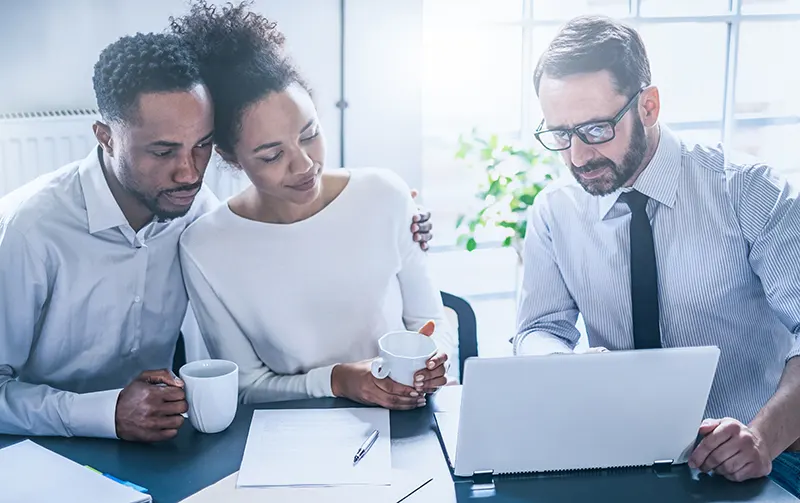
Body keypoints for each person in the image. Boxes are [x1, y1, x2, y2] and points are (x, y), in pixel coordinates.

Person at [0, 33, 432, 441]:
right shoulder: (29, 232)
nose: (189, 173)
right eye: (163, 151)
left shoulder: (194, 214)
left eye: (201, 145)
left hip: (160, 439)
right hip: (45, 447)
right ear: (106, 137)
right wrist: (104, 413)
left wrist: (403, 219)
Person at [513, 15, 800, 487]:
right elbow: (540, 328)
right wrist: (560, 366)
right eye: (560, 135)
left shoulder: (748, 191)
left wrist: (761, 438)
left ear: (648, 106)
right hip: (614, 456)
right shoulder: (554, 212)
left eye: (596, 129)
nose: (577, 157)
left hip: (754, 456)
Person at [171, 1, 455, 410]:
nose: (304, 165)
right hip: (289, 436)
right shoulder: (204, 248)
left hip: (405, 423)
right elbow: (245, 386)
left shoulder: (385, 194)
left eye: (310, 134)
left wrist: (433, 360)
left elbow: (430, 321)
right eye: (271, 155)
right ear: (232, 157)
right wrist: (336, 381)